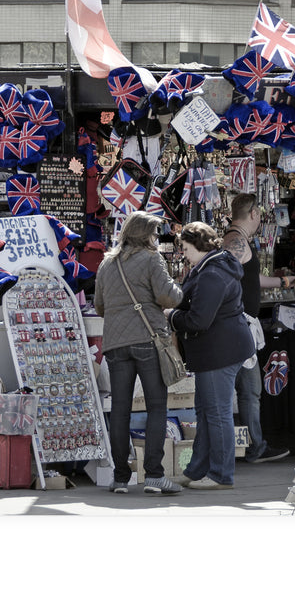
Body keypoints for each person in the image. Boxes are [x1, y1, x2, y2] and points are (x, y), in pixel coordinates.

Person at [94, 211, 184, 495]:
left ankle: (121, 478)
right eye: (154, 233)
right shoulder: (151, 259)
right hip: (147, 339)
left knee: (120, 410)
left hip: (115, 344)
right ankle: (154, 476)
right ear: (145, 234)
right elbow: (168, 296)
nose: (157, 238)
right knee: (156, 406)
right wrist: (179, 288)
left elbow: (99, 306)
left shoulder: (107, 264)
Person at [170, 222, 254, 490]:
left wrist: (171, 316)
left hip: (220, 351)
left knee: (216, 413)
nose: (183, 254)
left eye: (185, 248)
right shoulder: (214, 266)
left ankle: (220, 474)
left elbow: (198, 320)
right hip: (219, 350)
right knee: (207, 412)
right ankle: (198, 469)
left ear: (198, 244)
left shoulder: (212, 273)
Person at [222, 193, 295, 464]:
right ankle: (253, 446)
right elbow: (224, 278)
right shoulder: (235, 241)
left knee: (247, 389)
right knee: (249, 390)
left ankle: (252, 445)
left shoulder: (239, 241)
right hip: (238, 326)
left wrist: (282, 282)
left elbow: (252, 278)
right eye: (260, 215)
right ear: (253, 213)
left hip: (240, 324)